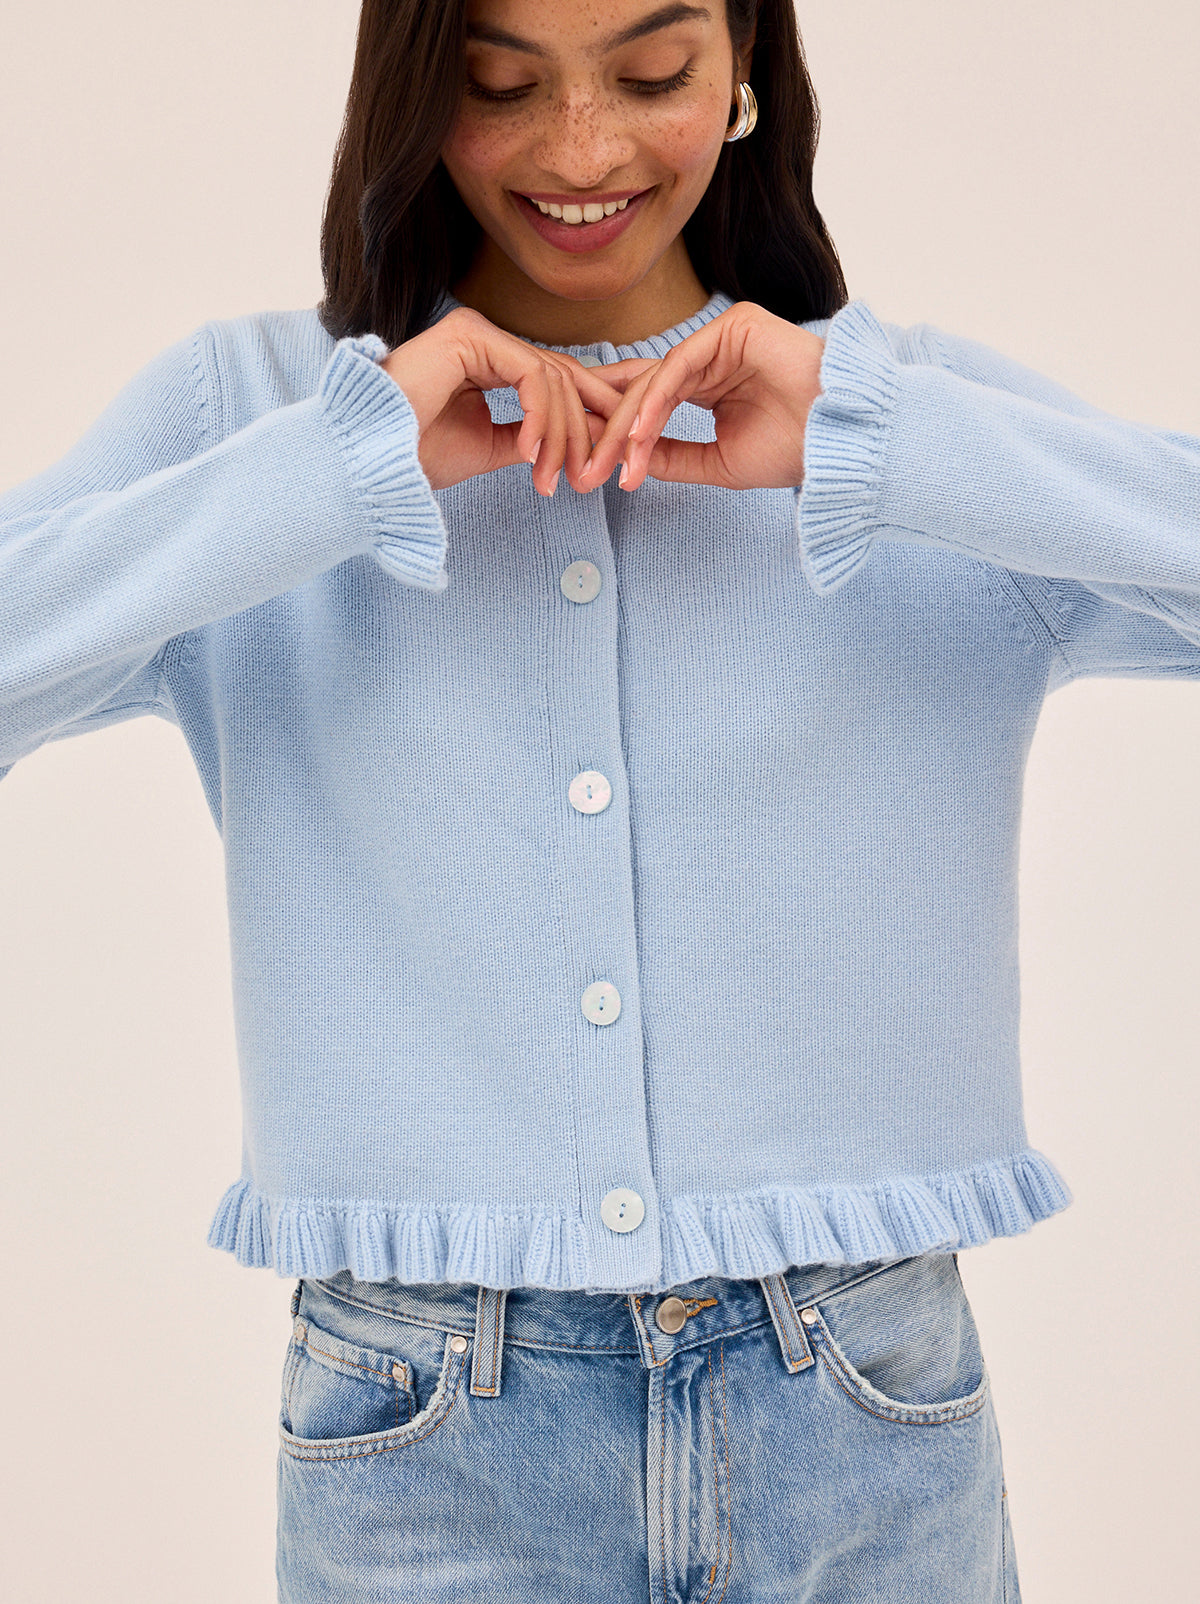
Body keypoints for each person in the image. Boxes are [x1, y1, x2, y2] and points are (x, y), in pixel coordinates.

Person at [2, 1, 1197, 1599]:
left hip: (857, 1400)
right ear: (417, 95)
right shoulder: (260, 417)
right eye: (502, 86)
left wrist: (880, 440)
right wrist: (338, 472)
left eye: (652, 77)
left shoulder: (902, 424)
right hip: (425, 1424)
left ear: (747, 71)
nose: (582, 151)